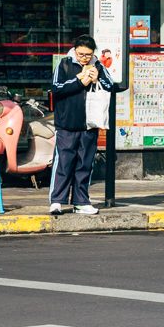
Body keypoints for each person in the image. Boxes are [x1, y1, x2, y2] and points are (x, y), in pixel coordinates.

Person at [49, 34, 116, 217]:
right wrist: (79, 81)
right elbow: (56, 88)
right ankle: (57, 201)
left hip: (90, 124)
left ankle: (81, 202)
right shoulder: (64, 64)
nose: (84, 58)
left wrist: (97, 79)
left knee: (84, 164)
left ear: (93, 53)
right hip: (66, 123)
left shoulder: (98, 65)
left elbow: (111, 86)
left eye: (87, 54)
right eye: (80, 54)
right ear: (74, 50)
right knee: (63, 163)